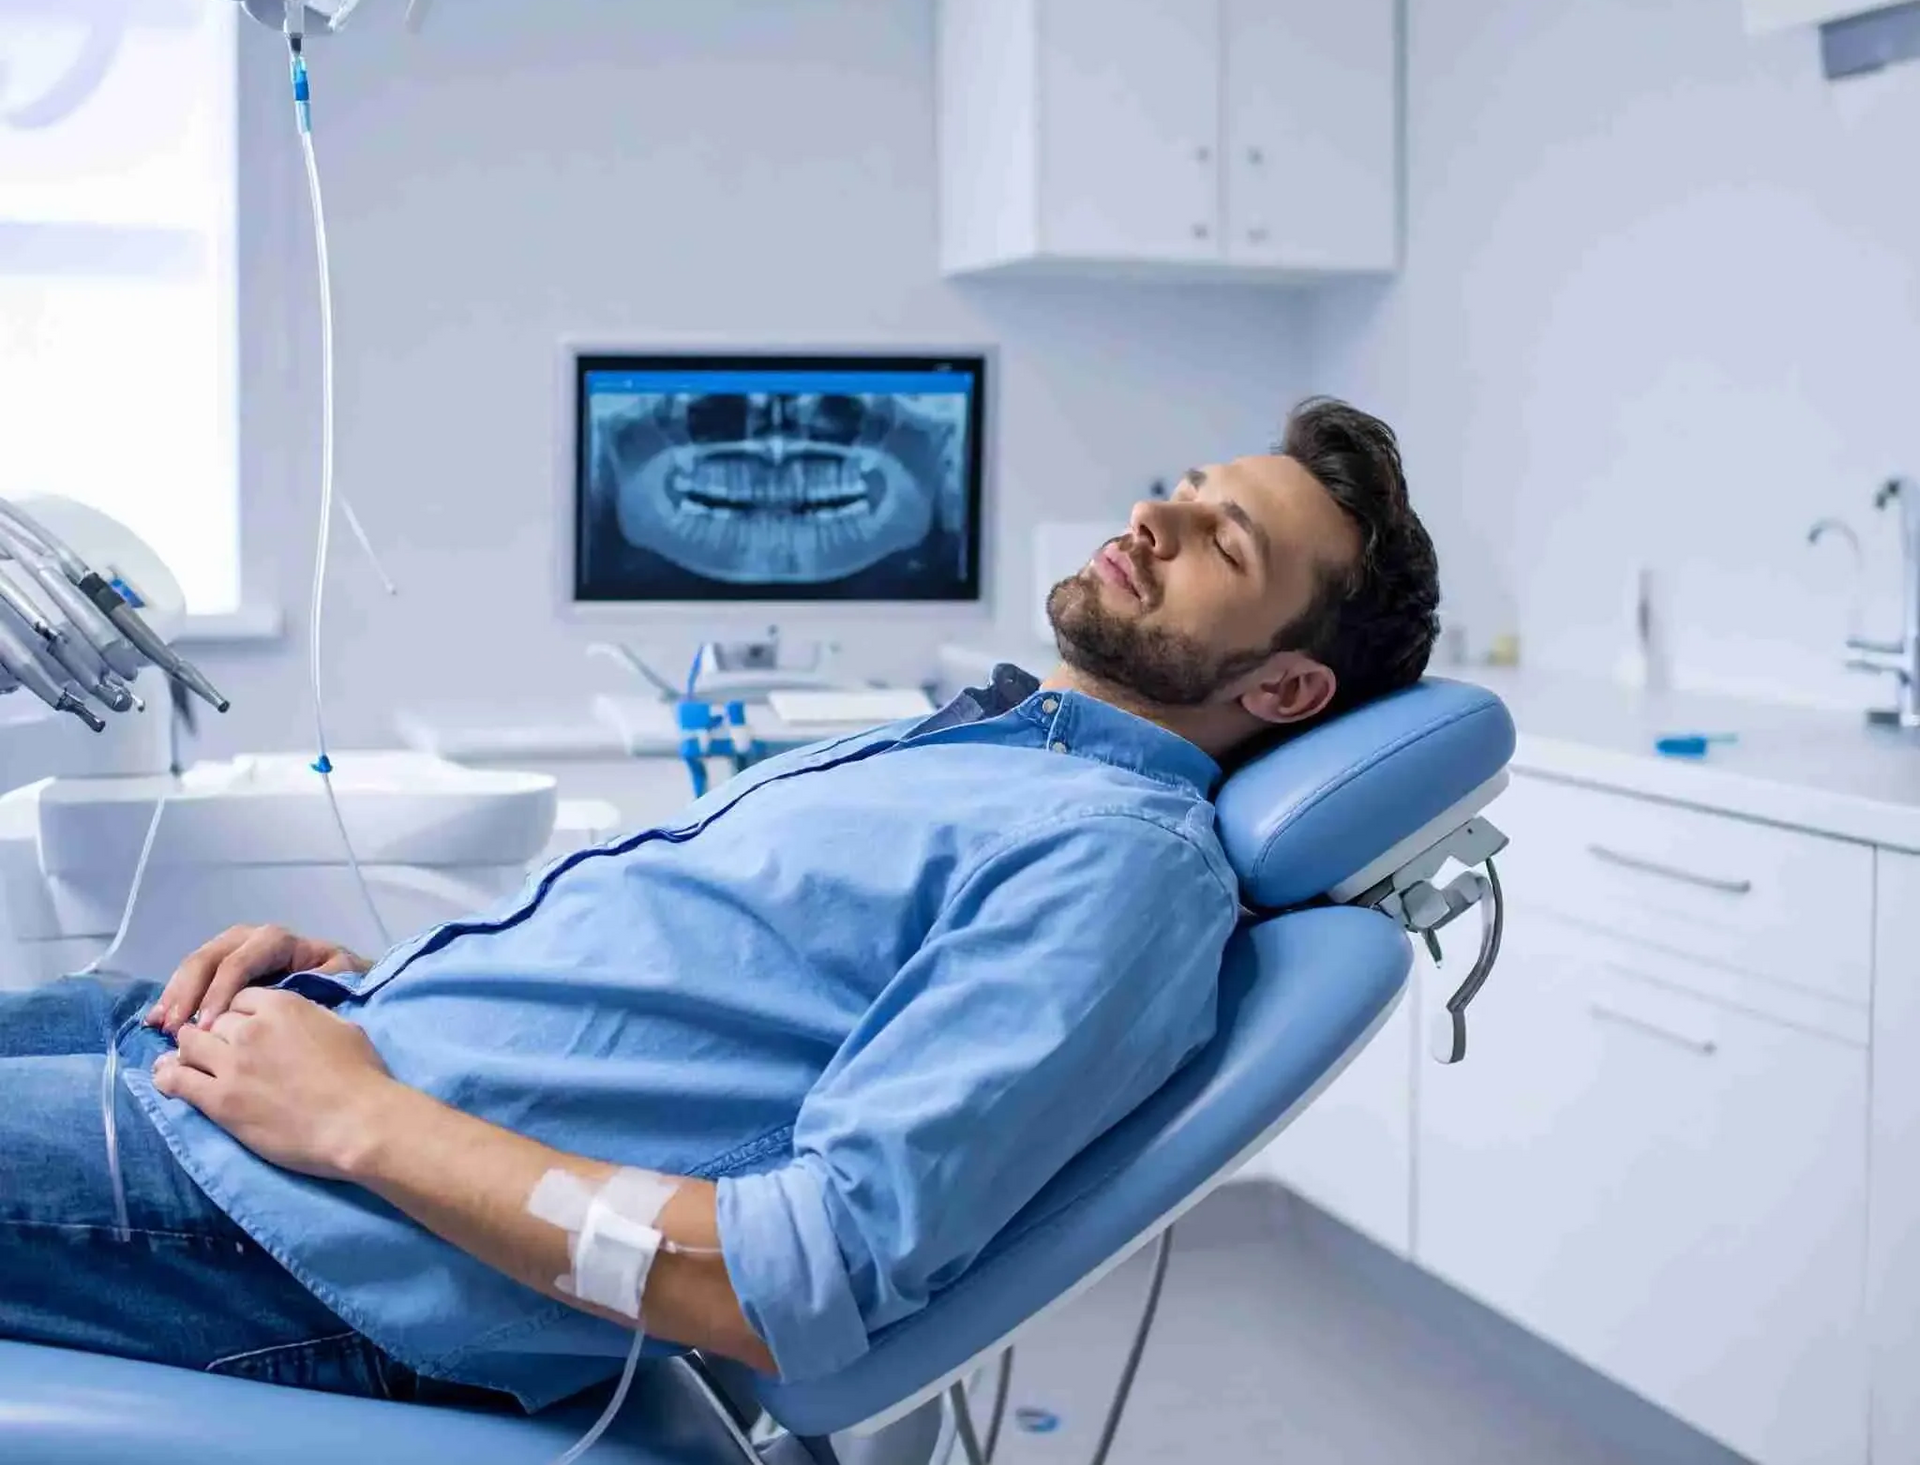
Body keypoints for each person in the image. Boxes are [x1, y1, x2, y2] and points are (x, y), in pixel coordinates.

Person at [0, 396, 1440, 1410]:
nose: (1157, 515)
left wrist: (363, 1116)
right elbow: (696, 1026)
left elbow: (792, 1277)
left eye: (1223, 543)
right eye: (1183, 489)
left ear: (1287, 688)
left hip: (301, 1229)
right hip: (298, 1070)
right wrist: (376, 995)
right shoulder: (997, 754)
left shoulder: (1121, 866)